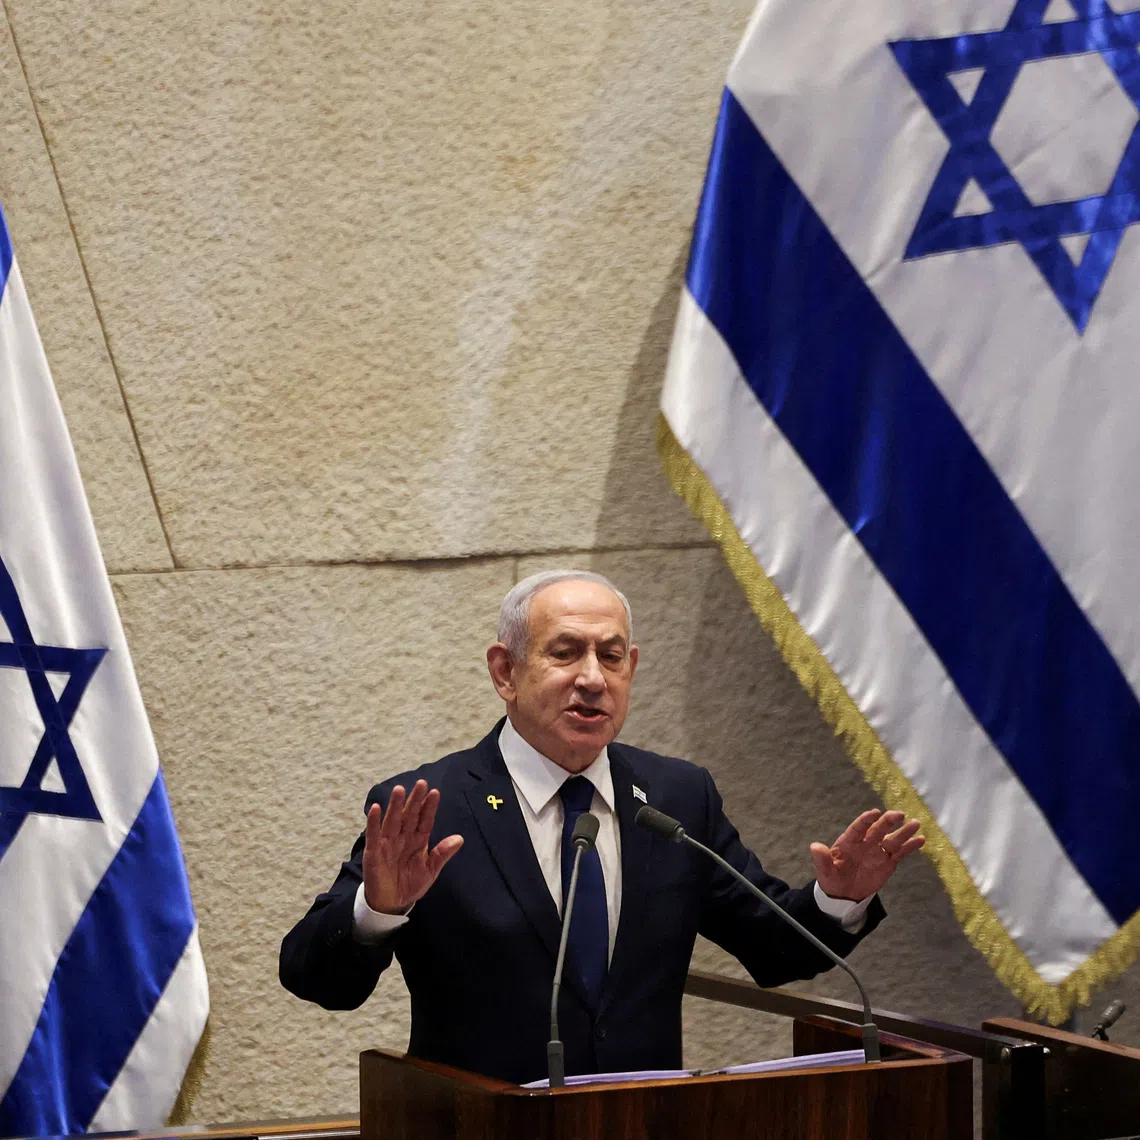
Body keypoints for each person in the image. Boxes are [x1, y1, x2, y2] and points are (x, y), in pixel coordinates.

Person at [279, 570, 924, 1084]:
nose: (592, 678)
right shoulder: (429, 807)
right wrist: (377, 910)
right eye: (565, 653)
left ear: (631, 669)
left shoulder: (677, 797)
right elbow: (313, 977)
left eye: (611, 657)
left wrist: (839, 898)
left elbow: (776, 947)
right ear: (504, 671)